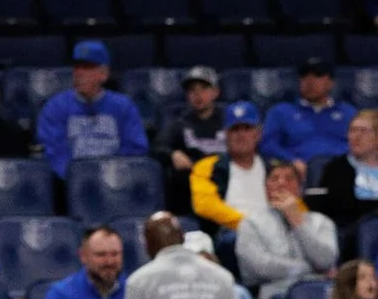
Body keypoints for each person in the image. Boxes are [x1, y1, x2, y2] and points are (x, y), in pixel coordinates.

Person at [35, 41, 147, 179]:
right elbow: (54, 153)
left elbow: (135, 149)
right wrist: (77, 178)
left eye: (88, 67)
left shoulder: (124, 106)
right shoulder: (55, 107)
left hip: (116, 182)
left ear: (104, 74)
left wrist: (113, 177)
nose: (79, 73)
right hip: (71, 185)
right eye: (77, 67)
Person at [235, 159, 337, 299]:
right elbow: (258, 267)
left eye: (289, 179)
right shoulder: (250, 224)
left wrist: (297, 222)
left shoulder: (322, 222)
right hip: (275, 298)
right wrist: (309, 269)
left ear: (300, 188)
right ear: (266, 188)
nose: (281, 183)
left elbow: (326, 261)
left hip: (318, 295)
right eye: (274, 179)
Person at [189, 99, 267, 229]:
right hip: (229, 235)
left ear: (258, 134)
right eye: (235, 129)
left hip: (273, 235)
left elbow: (292, 202)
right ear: (225, 134)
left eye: (247, 128)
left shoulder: (273, 168)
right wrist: (247, 227)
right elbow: (204, 204)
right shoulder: (206, 166)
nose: (241, 135)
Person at [263, 58, 355, 167]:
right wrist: (291, 160)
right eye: (304, 76)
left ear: (330, 83)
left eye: (317, 75)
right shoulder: (281, 112)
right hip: (297, 173)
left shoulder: (348, 113)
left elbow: (363, 143)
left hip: (342, 170)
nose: (310, 81)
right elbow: (268, 145)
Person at [158, 64, 228, 206]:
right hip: (192, 189)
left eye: (204, 89)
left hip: (225, 182)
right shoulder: (180, 122)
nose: (197, 94)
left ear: (216, 92)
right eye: (192, 90)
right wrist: (173, 154)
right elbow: (158, 146)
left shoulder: (229, 119)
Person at [312, 109, 378, 238]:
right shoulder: (336, 168)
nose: (356, 136)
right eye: (353, 130)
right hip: (350, 235)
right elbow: (340, 207)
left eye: (363, 131)